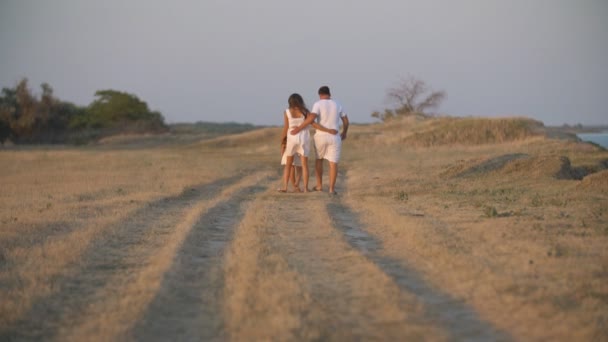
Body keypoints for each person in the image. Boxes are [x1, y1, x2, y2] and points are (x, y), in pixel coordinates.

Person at [293, 86, 348, 195]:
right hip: (335, 136)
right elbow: (346, 120)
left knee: (319, 160)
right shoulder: (337, 104)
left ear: (319, 95)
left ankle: (319, 186)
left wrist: (299, 128)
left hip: (321, 137)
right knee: (333, 163)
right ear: (329, 94)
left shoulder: (317, 104)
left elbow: (311, 119)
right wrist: (344, 132)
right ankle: (332, 189)